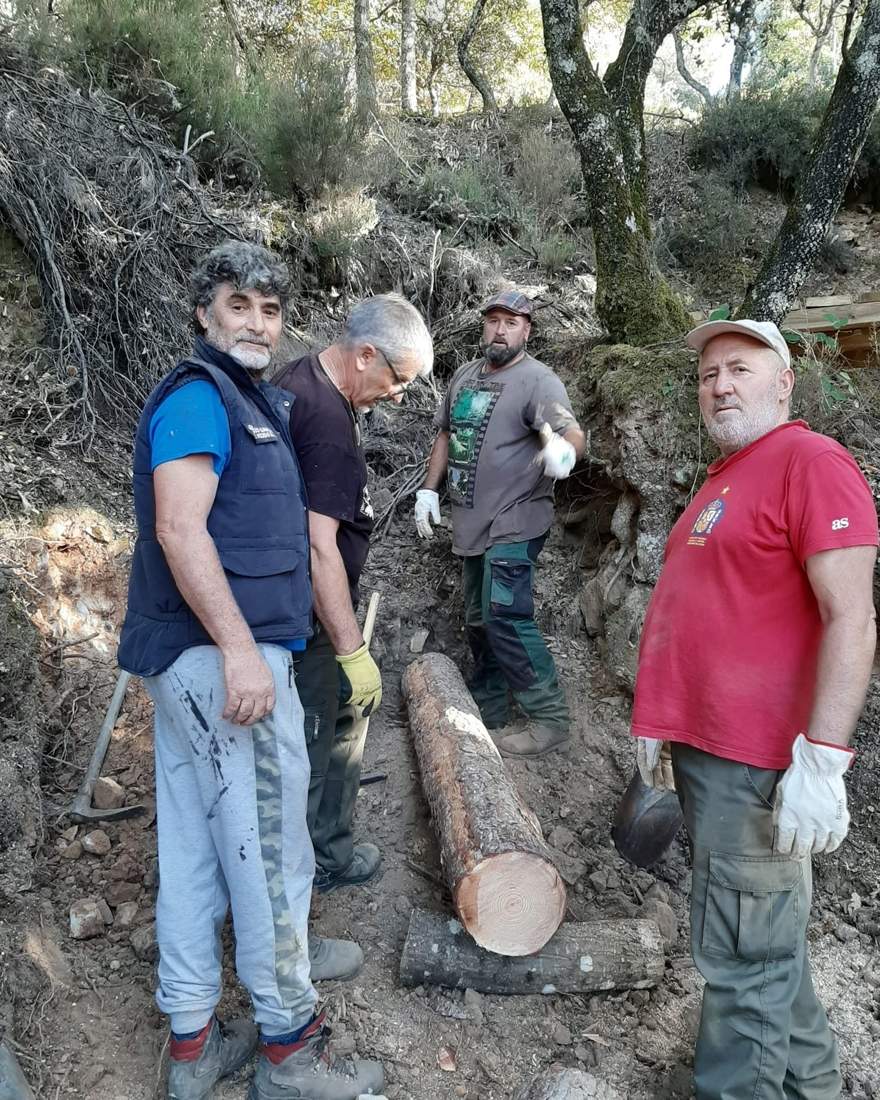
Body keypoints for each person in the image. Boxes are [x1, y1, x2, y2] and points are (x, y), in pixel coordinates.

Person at [117, 241, 383, 1100]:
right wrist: (239, 650)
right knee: (272, 850)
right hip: (222, 663)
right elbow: (179, 528)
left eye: (270, 310)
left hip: (194, 664)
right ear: (205, 313)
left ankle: (193, 1044)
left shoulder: (245, 400)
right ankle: (289, 1051)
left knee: (194, 849)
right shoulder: (201, 398)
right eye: (239, 305)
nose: (257, 323)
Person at [632, 318, 878, 1099]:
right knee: (766, 952)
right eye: (708, 375)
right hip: (711, 757)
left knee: (745, 962)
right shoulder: (727, 478)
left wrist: (825, 760)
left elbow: (853, 618)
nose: (720, 386)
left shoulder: (812, 463)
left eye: (739, 368)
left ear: (784, 382)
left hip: (760, 766)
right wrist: (660, 723)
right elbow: (704, 612)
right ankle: (814, 1087)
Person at [273, 294, 433, 893]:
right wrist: (349, 649)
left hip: (292, 602)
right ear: (366, 355)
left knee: (322, 724)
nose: (400, 395)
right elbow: (320, 548)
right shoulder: (328, 424)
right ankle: (322, 861)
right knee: (326, 731)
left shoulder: (299, 376)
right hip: (309, 613)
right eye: (398, 380)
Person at [414, 290, 586, 758]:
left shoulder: (537, 380)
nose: (500, 330)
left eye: (511, 322)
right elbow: (445, 433)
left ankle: (549, 718)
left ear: (527, 330)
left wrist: (565, 452)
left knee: (505, 614)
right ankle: (488, 705)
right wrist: (428, 491)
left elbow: (570, 430)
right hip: (472, 521)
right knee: (477, 618)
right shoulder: (466, 376)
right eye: (493, 321)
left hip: (517, 518)